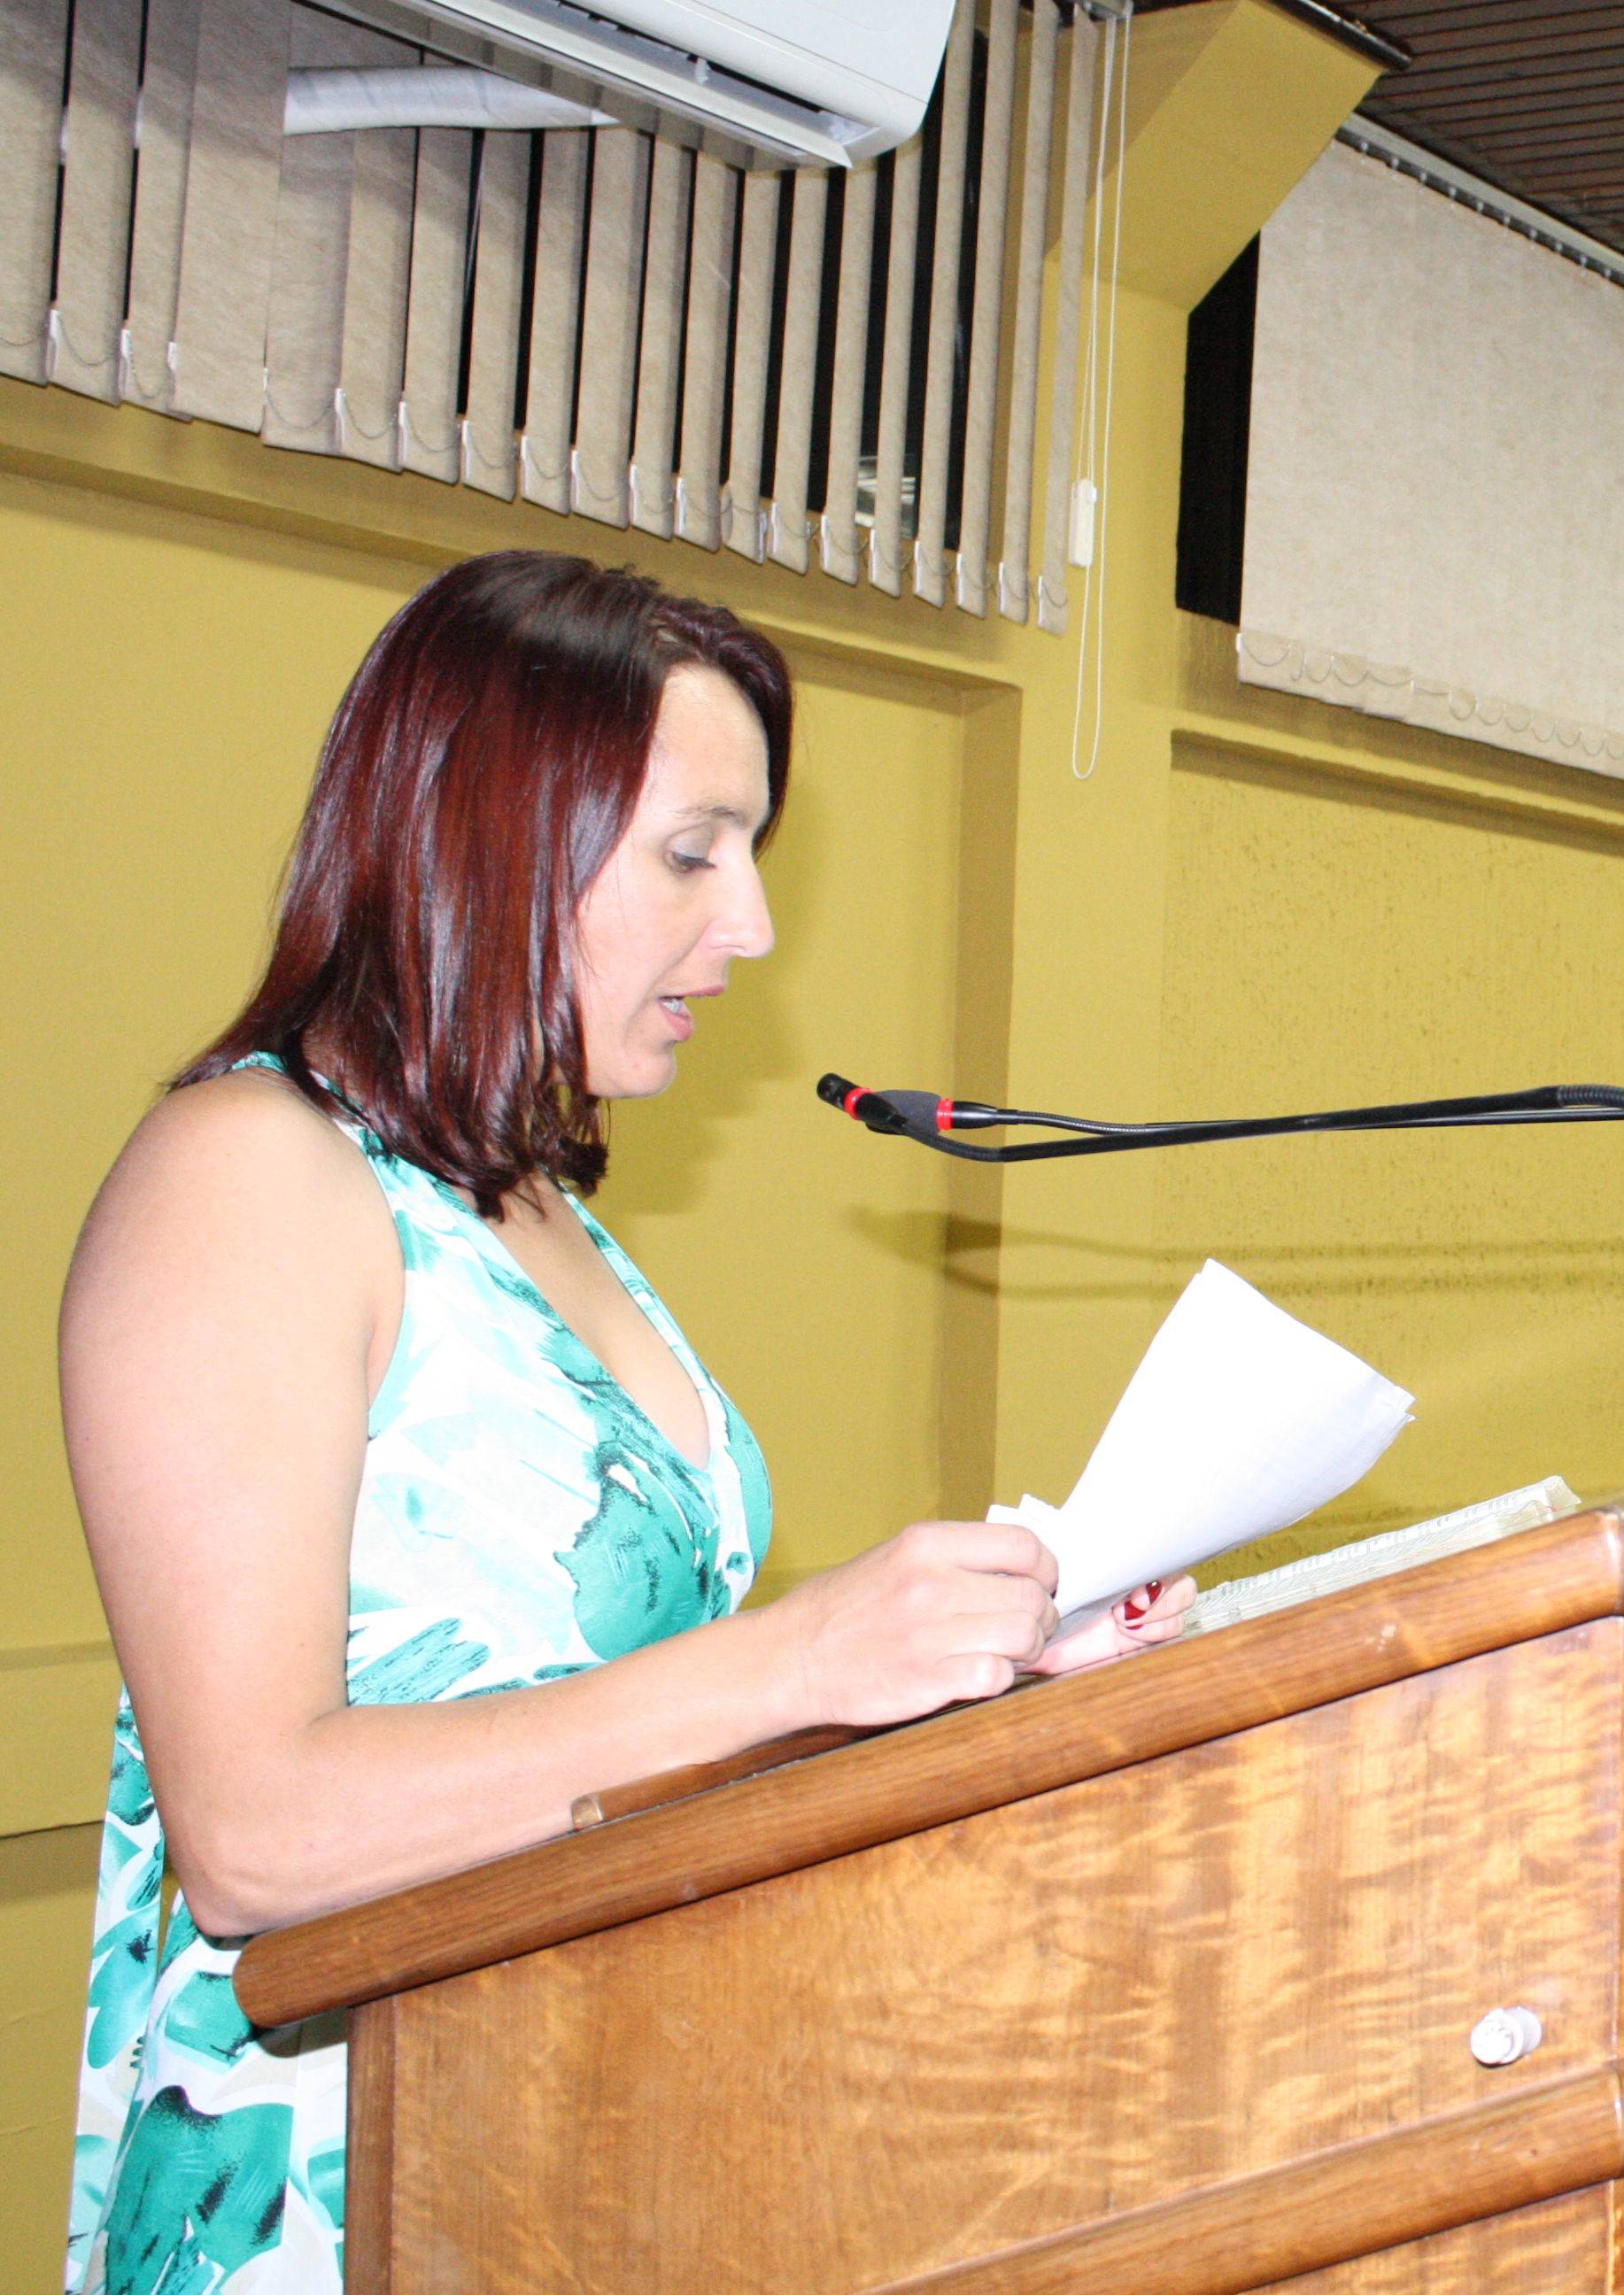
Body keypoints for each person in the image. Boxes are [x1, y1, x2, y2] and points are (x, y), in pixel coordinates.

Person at [62, 553, 1195, 2295]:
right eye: (692, 852)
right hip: (327, 2203)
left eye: (752, 855)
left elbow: (609, 1754)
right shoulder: (249, 1177)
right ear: (490, 831)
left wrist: (966, 1677)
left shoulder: (537, 1211)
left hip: (582, 2150)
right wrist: (804, 1657)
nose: (748, 927)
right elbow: (255, 1836)